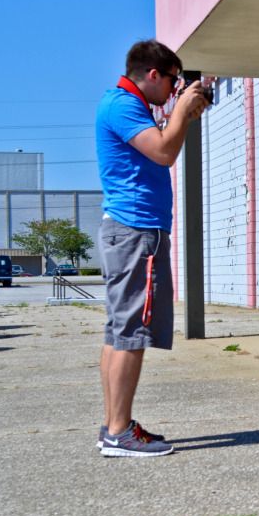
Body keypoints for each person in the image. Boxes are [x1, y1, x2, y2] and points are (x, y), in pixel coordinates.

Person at [94, 39, 208, 457]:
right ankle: (118, 433)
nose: (175, 89)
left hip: (130, 231)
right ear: (154, 75)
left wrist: (182, 114)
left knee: (119, 330)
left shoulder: (125, 105)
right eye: (173, 81)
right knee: (132, 332)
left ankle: (113, 425)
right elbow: (163, 152)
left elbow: (163, 144)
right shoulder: (123, 105)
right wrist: (181, 112)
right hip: (136, 233)